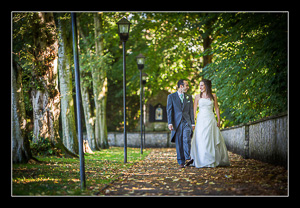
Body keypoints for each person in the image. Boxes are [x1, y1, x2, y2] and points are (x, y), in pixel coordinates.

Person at [188, 79, 230, 168]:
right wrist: (193, 122)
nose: (200, 87)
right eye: (200, 85)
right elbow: (194, 110)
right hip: (200, 120)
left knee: (210, 139)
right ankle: (201, 160)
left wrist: (219, 120)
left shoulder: (213, 96)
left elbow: (217, 108)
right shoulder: (197, 97)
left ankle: (211, 160)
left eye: (202, 85)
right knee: (201, 138)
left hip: (210, 119)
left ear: (207, 86)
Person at [167, 79, 195, 168]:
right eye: (186, 85)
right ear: (181, 86)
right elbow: (169, 110)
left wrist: (193, 123)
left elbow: (191, 111)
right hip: (176, 123)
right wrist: (170, 123)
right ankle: (181, 162)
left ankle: (188, 157)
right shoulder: (171, 97)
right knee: (179, 142)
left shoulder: (189, 97)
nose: (188, 87)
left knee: (186, 139)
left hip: (187, 121)